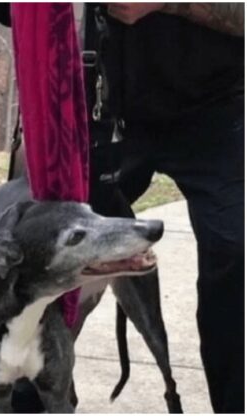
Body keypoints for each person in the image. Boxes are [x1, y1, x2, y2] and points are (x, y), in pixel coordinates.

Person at [83, 3, 244, 413]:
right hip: (100, 101)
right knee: (44, 241)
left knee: (237, 256)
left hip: (222, 105)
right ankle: (21, 398)